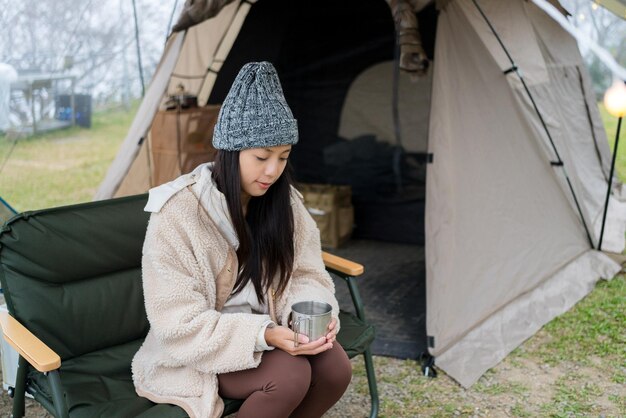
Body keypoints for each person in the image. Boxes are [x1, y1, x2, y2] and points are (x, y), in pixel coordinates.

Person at [132, 61, 352, 418]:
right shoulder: (178, 213)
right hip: (203, 350)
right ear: (230, 152)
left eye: (283, 157)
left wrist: (305, 316)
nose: (273, 171)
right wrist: (263, 335)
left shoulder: (285, 204)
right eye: (261, 157)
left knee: (335, 368)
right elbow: (177, 322)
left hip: (274, 334)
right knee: (290, 375)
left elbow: (306, 275)